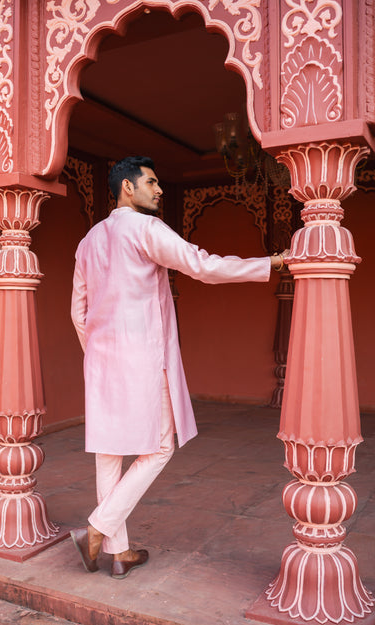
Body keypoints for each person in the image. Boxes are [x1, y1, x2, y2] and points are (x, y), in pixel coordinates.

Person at [70, 155, 287, 579]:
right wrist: (270, 264)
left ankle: (118, 553)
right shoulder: (146, 229)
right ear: (127, 188)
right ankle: (97, 529)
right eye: (151, 182)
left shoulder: (88, 240)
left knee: (110, 454)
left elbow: (78, 311)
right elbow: (202, 266)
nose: (160, 189)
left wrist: (96, 351)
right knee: (160, 447)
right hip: (142, 358)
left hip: (100, 360)